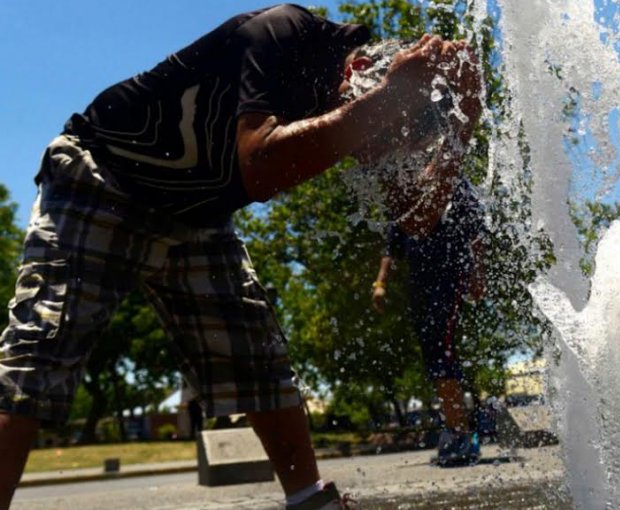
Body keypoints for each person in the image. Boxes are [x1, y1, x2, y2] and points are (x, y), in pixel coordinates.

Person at [0, 4, 481, 509]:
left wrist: (461, 132)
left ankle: (309, 499)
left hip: (197, 213)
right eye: (382, 135)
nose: (371, 152)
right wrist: (384, 104)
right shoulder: (283, 32)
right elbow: (260, 165)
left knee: (257, 357)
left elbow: (416, 219)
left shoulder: (366, 107)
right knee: (42, 349)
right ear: (362, 74)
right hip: (104, 177)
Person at [372, 178, 486, 466]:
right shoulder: (405, 181)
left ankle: (461, 434)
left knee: (441, 347)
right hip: (419, 281)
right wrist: (380, 282)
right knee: (432, 352)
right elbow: (392, 241)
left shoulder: (453, 181)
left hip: (450, 273)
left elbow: (476, 231)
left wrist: (477, 272)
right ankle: (455, 428)